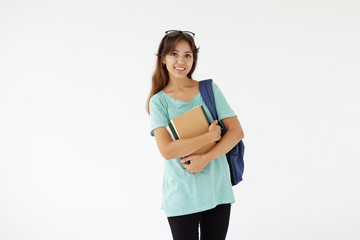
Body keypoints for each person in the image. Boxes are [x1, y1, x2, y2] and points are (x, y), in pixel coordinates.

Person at [146, 30, 244, 240]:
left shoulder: (209, 90)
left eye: (187, 55)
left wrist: (206, 158)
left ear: (193, 59)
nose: (181, 61)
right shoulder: (159, 101)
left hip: (217, 189)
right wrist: (209, 137)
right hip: (181, 194)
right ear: (163, 59)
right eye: (174, 54)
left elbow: (237, 132)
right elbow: (167, 150)